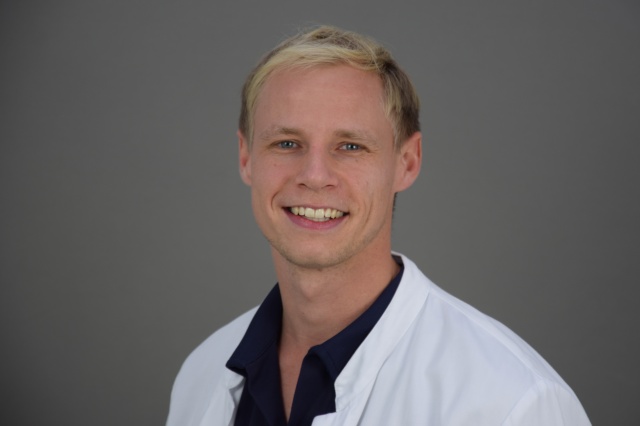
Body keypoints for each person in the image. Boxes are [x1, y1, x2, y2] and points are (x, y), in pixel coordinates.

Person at [166, 25, 590, 426]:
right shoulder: (201, 372)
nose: (314, 176)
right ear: (246, 158)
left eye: (350, 146)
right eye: (287, 143)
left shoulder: (513, 403)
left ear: (407, 162)